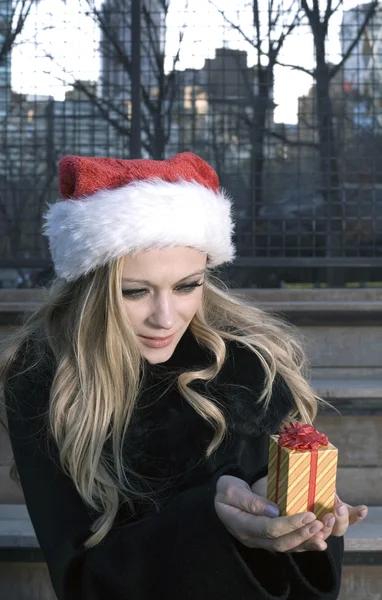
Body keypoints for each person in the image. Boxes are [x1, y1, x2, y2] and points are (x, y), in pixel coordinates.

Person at [1, 152, 367, 600]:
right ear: (91, 287)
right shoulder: (47, 378)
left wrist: (284, 502)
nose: (165, 317)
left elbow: (293, 544)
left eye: (187, 285)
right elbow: (80, 579)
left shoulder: (249, 362)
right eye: (134, 292)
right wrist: (210, 518)